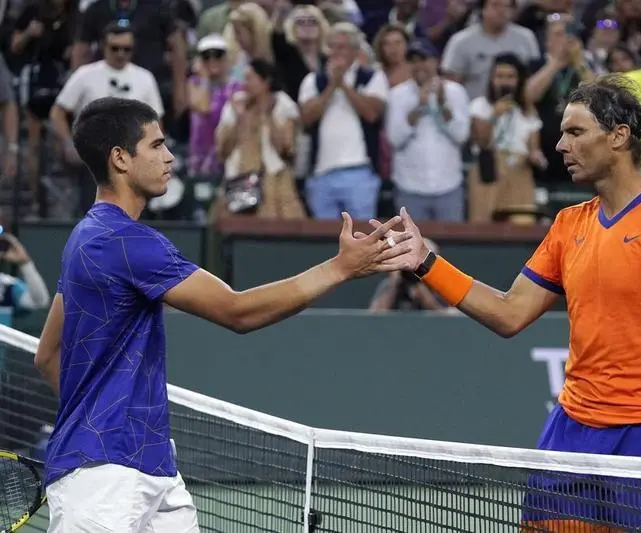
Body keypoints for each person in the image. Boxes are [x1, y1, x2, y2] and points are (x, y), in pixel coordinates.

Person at [33, 97, 415, 533]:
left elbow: (46, 356)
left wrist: (93, 425)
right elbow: (238, 311)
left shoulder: (83, 239)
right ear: (120, 158)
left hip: (149, 467)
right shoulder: (127, 242)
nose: (170, 156)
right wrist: (341, 267)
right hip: (106, 482)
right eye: (156, 145)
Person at [376, 74, 641, 531]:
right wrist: (427, 263)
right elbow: (510, 313)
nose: (560, 146)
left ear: (618, 136)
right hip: (569, 432)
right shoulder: (569, 225)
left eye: (575, 132)